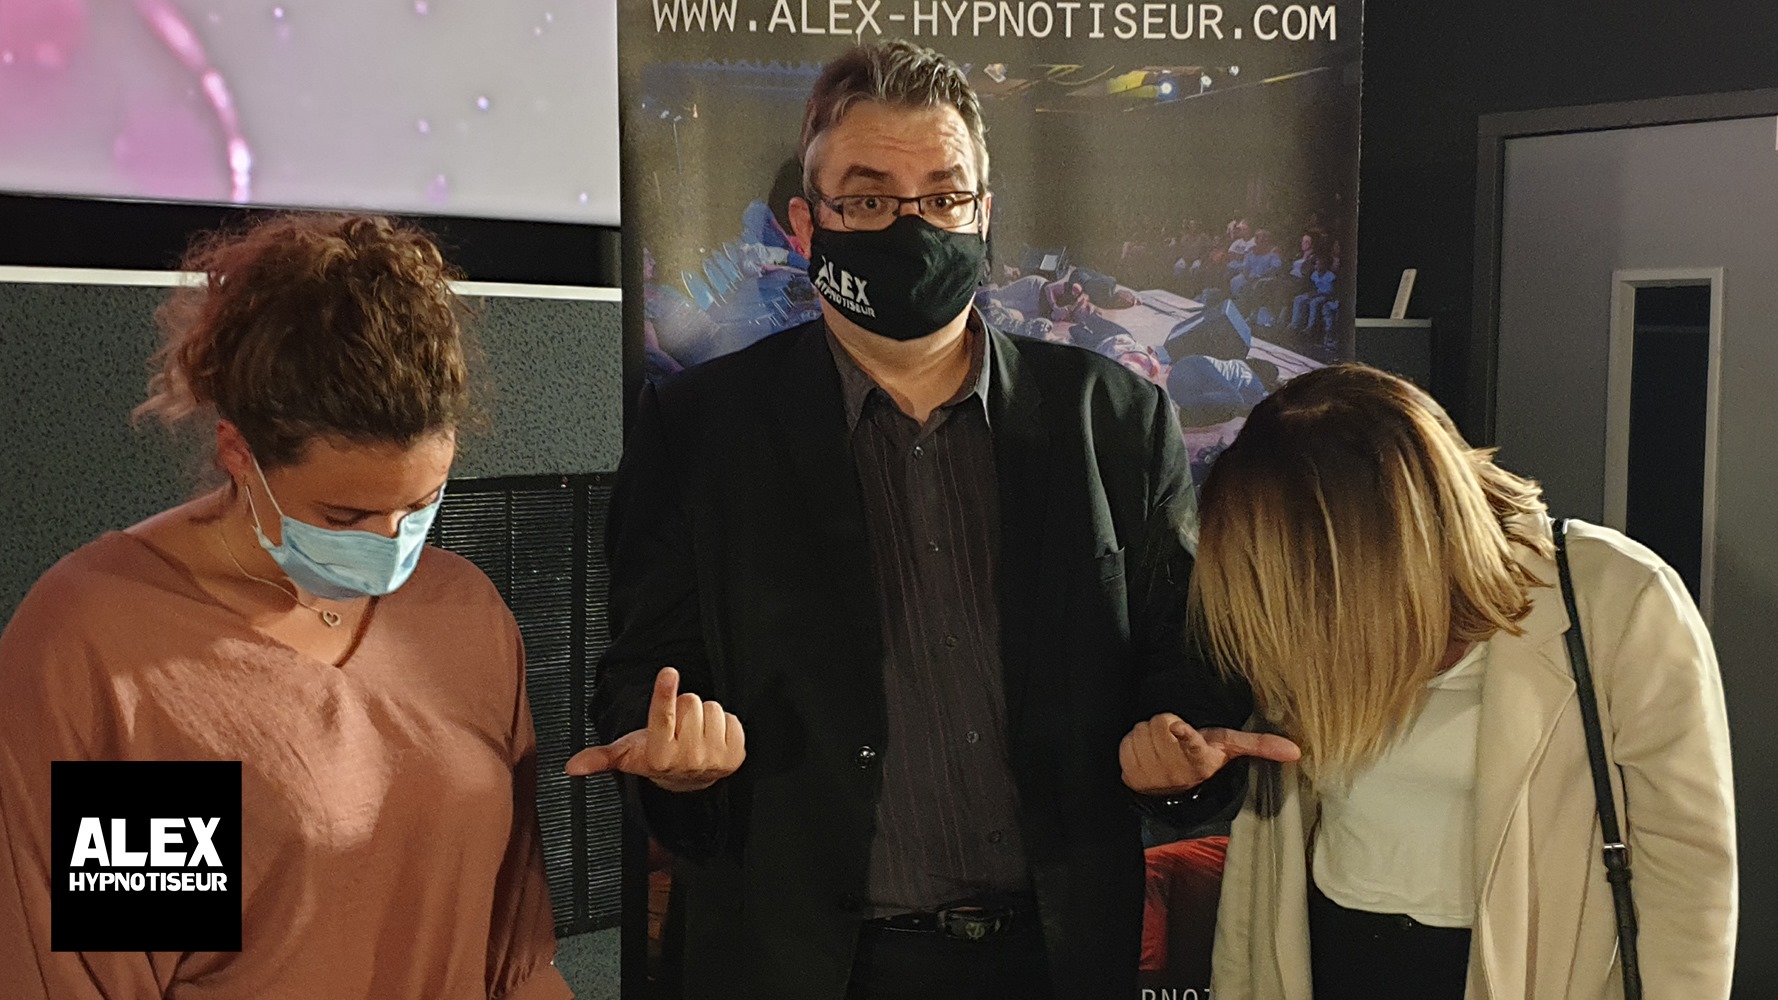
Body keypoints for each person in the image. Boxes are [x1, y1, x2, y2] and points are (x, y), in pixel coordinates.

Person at [569, 40, 1290, 1000]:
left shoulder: (1113, 416)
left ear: (984, 215)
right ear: (804, 225)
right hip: (801, 961)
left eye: (944, 196)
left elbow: (1181, 652)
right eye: (866, 199)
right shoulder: (701, 427)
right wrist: (676, 760)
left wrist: (1183, 744)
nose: (913, 225)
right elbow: (641, 675)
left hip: (1055, 955)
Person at [0, 215, 573, 1000]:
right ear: (240, 454)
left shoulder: (461, 616)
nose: (389, 546)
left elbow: (517, 959)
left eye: (421, 504)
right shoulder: (110, 654)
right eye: (344, 518)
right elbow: (94, 977)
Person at [1195, 365, 1736, 999]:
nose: (1295, 607)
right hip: (1328, 951)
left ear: (1387, 537)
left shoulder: (1614, 596)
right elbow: (1269, 841)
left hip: (1525, 971)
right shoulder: (1307, 614)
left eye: (1308, 578)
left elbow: (1688, 868)